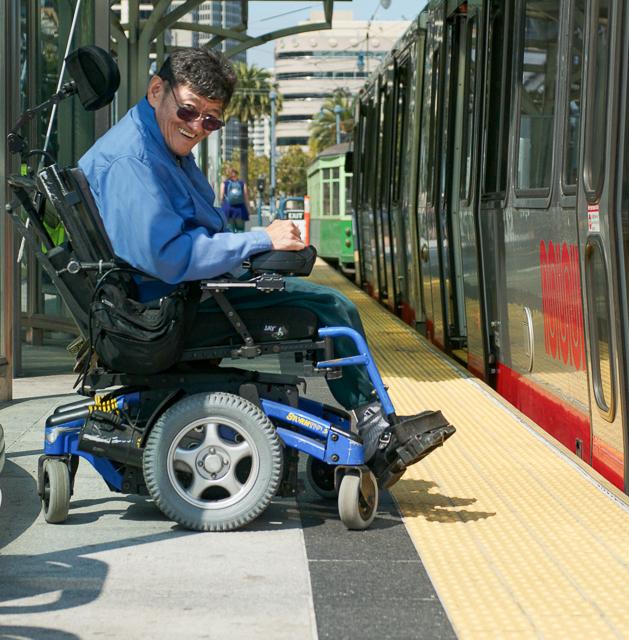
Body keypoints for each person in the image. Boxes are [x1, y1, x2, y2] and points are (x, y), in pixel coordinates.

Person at [78, 48, 445, 470]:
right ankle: (374, 425)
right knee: (332, 307)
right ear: (156, 90)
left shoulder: (157, 144)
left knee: (307, 289)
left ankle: (373, 418)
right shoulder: (134, 160)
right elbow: (170, 257)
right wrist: (257, 240)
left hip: (174, 298)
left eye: (211, 120)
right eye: (188, 111)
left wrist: (256, 248)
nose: (198, 127)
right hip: (166, 313)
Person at [221, 167, 249, 232]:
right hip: (240, 209)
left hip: (228, 209)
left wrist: (222, 204)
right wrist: (248, 208)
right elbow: (246, 197)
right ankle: (241, 241)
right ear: (237, 174)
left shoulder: (224, 183)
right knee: (240, 230)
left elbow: (221, 197)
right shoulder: (242, 183)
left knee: (230, 230)